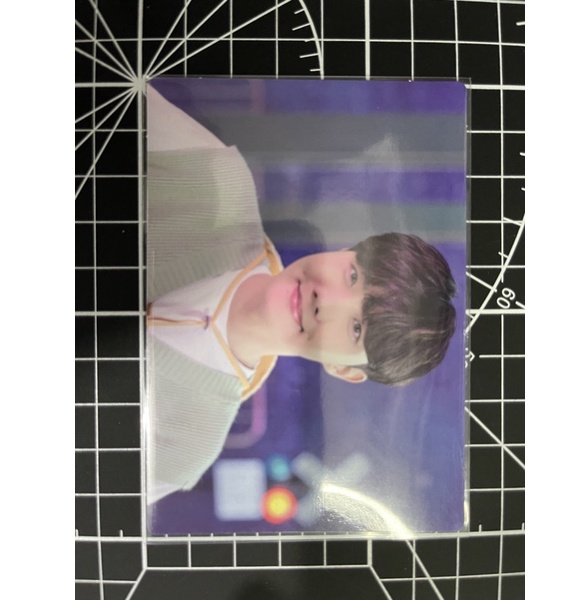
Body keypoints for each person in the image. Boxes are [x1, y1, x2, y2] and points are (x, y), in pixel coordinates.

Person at [145, 84, 457, 503]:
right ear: (344, 250)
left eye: (356, 328)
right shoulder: (214, 180)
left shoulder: (188, 446)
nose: (326, 300)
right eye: (352, 275)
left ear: (344, 370)